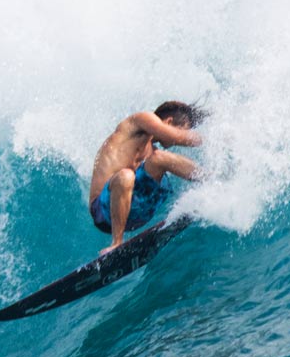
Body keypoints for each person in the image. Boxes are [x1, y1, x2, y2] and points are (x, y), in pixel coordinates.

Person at [88, 101, 206, 253]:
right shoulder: (141, 119)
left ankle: (214, 181)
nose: (183, 135)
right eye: (184, 130)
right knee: (126, 176)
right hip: (104, 212)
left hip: (135, 214)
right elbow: (176, 136)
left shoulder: (152, 152)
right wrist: (215, 138)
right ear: (168, 121)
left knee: (160, 159)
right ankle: (116, 243)